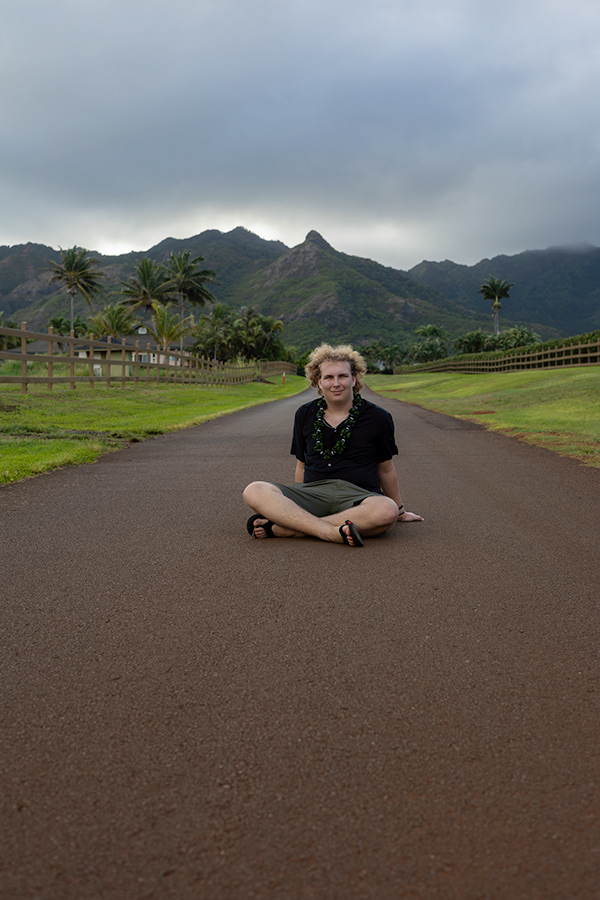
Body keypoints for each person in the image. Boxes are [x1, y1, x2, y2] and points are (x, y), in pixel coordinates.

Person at [243, 343, 423, 547]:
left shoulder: (378, 417)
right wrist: (299, 500)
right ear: (318, 382)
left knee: (386, 510)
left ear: (353, 379)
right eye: (328, 377)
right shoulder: (304, 414)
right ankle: (329, 531)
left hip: (359, 497)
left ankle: (288, 528)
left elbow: (386, 469)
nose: (336, 383)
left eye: (342, 376)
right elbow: (301, 465)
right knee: (253, 490)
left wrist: (399, 511)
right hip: (313, 493)